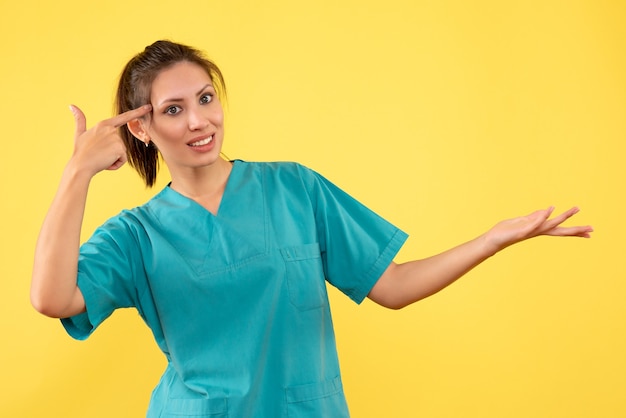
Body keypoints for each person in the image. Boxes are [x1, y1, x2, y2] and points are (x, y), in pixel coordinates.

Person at [31, 40, 593, 417]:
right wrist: (77, 172)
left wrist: (493, 239)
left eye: (205, 99)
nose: (199, 121)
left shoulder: (294, 189)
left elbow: (391, 286)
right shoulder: (136, 236)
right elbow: (52, 298)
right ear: (143, 128)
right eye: (174, 110)